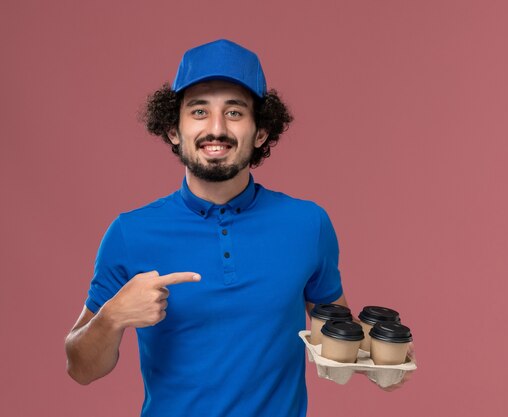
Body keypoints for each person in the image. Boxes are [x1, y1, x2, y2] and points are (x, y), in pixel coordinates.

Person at [65, 39, 407, 417]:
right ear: (173, 130)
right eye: (198, 111)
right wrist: (112, 316)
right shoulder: (129, 233)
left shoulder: (308, 224)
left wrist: (385, 357)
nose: (216, 128)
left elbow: (338, 335)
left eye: (234, 112)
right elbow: (80, 369)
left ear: (260, 132)